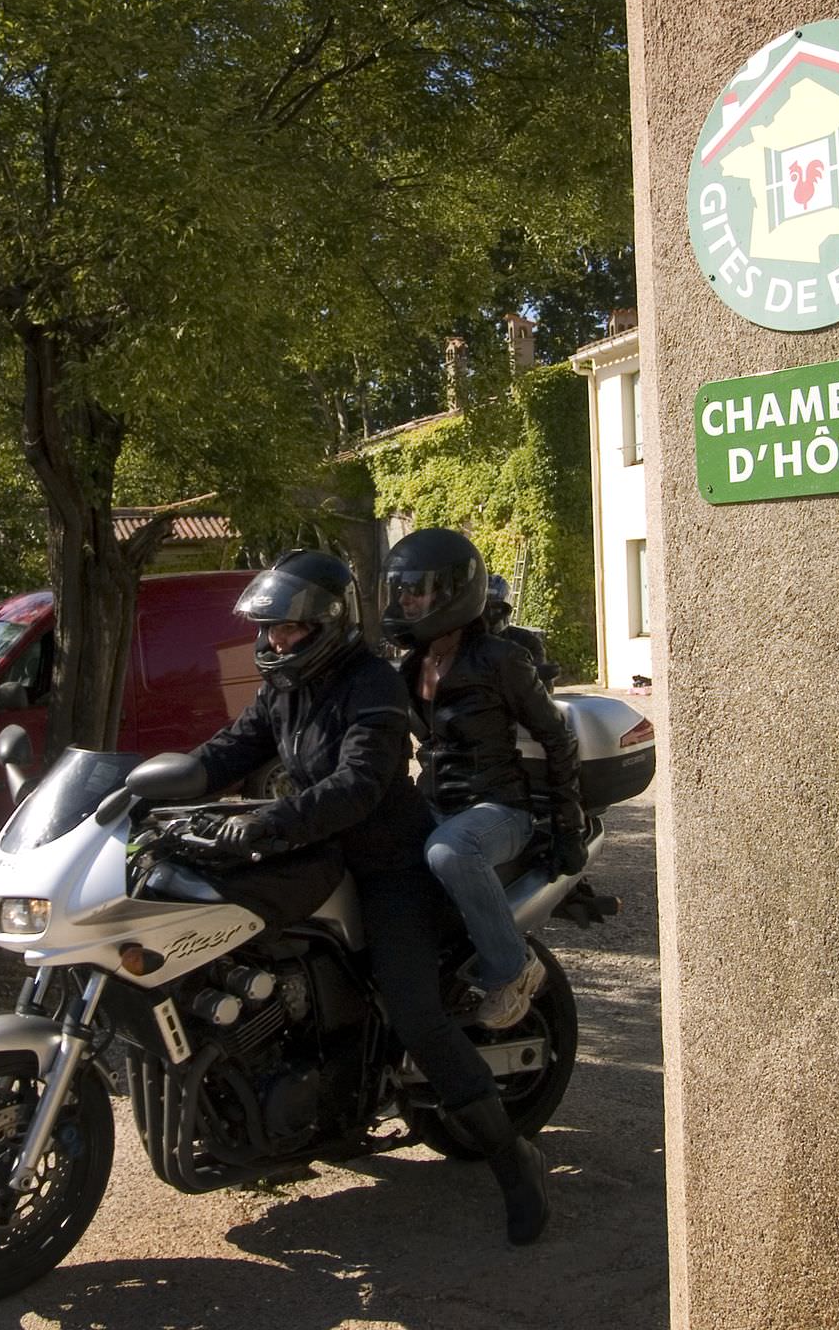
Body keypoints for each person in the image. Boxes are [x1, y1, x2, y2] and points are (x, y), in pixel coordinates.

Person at [188, 549, 550, 1245]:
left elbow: (358, 784)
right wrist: (142, 786)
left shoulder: (373, 685)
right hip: (319, 857)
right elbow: (228, 750)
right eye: (267, 631)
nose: (272, 642)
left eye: (285, 630)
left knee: (415, 1011)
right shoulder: (286, 687)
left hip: (389, 871)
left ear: (325, 623)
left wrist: (266, 823)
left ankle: (513, 1160)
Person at [383, 530, 585, 1032]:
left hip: (498, 809)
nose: (406, 597)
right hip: (435, 804)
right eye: (401, 587)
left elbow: (556, 738)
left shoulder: (501, 660)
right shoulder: (411, 666)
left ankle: (513, 968)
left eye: (418, 587)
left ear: (452, 591)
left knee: (448, 851)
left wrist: (567, 822)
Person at [483, 574, 550, 673]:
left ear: (507, 609)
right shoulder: (461, 641)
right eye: (485, 608)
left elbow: (542, 685)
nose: (490, 614)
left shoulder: (527, 642)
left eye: (497, 607)